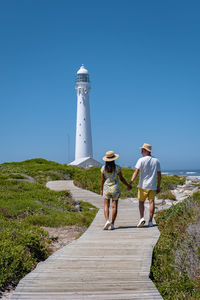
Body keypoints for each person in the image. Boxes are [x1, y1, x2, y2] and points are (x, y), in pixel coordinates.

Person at [129, 143, 161, 228]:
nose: (141, 152)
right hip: (152, 185)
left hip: (143, 185)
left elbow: (136, 172)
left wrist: (131, 182)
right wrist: (158, 186)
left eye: (142, 150)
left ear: (146, 151)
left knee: (141, 202)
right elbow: (159, 174)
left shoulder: (141, 160)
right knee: (151, 202)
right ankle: (150, 221)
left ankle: (142, 218)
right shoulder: (156, 161)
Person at [101, 150, 131, 230]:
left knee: (106, 206)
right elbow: (121, 178)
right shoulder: (117, 168)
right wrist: (128, 185)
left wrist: (101, 190)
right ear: (114, 159)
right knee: (114, 207)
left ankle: (107, 220)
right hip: (115, 188)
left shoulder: (103, 168)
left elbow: (102, 180)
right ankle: (112, 224)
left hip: (106, 188)